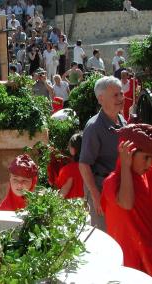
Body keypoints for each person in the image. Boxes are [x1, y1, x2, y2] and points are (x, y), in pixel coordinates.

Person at [101, 124, 152, 276]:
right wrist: (125, 165)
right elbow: (127, 203)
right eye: (146, 158)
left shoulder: (146, 175)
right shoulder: (112, 181)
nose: (149, 164)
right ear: (128, 153)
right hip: (130, 257)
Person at [79, 76, 126, 231]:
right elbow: (84, 164)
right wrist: (95, 196)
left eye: (121, 93)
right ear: (101, 98)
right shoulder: (94, 127)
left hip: (119, 186)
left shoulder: (122, 120)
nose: (121, 98)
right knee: (104, 233)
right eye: (115, 95)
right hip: (101, 188)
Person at [56, 133, 84, 199]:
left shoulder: (68, 170)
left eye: (69, 145)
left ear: (74, 149)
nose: (68, 147)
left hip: (75, 207)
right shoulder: (93, 166)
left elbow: (63, 193)